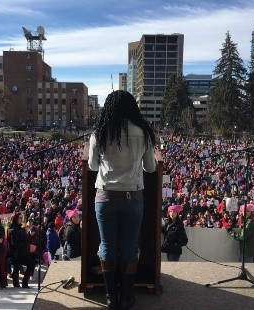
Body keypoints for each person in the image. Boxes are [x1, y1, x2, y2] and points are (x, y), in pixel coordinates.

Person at [88, 90, 156, 310]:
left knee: (107, 245)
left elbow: (92, 166)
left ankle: (111, 297)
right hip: (132, 196)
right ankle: (126, 296)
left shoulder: (99, 132)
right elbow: (150, 167)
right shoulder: (143, 132)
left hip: (106, 196)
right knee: (129, 246)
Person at [7, 212, 36, 288]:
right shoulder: (12, 230)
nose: (21, 219)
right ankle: (24, 283)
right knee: (31, 264)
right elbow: (15, 244)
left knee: (17, 267)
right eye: (20, 218)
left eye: (22, 218)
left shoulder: (20, 228)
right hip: (19, 253)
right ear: (15, 219)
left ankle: (17, 283)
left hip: (24, 251)